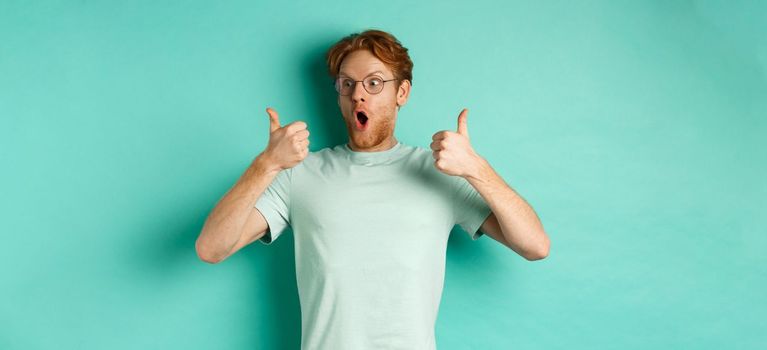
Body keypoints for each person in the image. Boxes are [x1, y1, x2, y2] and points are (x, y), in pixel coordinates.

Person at [195, 29, 550, 349]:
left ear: (403, 92)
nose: (358, 95)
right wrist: (266, 164)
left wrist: (476, 168)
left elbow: (535, 245)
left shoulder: (440, 172)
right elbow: (212, 248)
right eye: (347, 84)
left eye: (374, 83)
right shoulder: (299, 175)